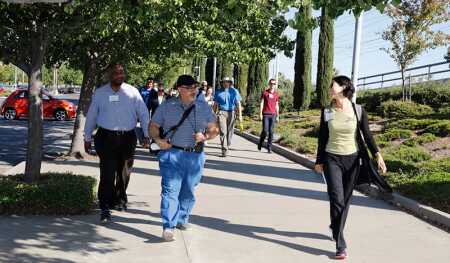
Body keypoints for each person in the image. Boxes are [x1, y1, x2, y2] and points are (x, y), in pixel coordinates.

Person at [314, 75, 387, 260]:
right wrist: (319, 161)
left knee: (345, 201)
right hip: (332, 159)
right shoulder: (327, 111)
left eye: (334, 84)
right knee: (337, 198)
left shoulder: (358, 110)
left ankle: (335, 227)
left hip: (353, 160)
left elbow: (368, 135)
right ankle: (340, 245)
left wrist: (377, 155)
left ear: (344, 87)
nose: (330, 87)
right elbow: (322, 138)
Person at [149, 74, 219, 242]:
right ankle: (168, 226)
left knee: (188, 191)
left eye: (195, 87)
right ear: (180, 89)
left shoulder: (203, 107)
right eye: (190, 88)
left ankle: (182, 218)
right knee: (170, 190)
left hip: (195, 156)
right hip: (171, 154)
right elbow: (153, 126)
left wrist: (205, 137)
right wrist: (158, 140)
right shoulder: (167, 106)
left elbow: (214, 129)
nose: (194, 90)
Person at [84, 64, 150, 223]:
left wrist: (147, 134)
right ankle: (105, 205)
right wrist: (87, 137)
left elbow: (143, 113)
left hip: (128, 137)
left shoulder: (132, 92)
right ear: (109, 75)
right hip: (106, 137)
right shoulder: (100, 93)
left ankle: (120, 199)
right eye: (115, 73)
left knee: (124, 172)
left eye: (121, 72)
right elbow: (92, 115)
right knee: (107, 172)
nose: (119, 75)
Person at [213, 77, 243, 157]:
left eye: (227, 82)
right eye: (224, 82)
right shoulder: (218, 92)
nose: (225, 83)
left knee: (230, 131)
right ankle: (224, 149)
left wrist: (240, 115)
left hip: (232, 112)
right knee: (223, 131)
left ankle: (228, 143)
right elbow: (215, 104)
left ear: (230, 83)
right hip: (221, 112)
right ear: (222, 83)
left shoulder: (234, 91)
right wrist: (213, 115)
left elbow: (238, 104)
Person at [258, 79, 279, 153]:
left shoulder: (276, 94)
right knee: (265, 131)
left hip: (273, 114)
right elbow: (261, 103)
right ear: (269, 84)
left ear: (275, 85)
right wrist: (260, 113)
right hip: (266, 114)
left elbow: (277, 105)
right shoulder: (265, 93)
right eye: (271, 83)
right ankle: (261, 142)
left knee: (271, 131)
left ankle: (269, 147)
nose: (272, 85)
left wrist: (278, 115)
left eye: (274, 84)